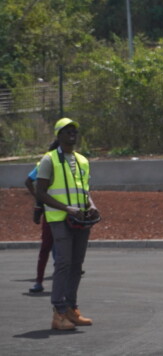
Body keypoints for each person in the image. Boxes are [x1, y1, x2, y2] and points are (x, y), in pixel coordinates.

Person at [36, 118, 100, 331]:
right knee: (63, 262)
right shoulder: (49, 160)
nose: (72, 134)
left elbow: (84, 190)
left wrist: (90, 204)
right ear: (58, 135)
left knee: (76, 265)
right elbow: (40, 192)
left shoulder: (82, 160)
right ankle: (59, 312)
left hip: (81, 219)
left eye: (74, 131)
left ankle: (71, 308)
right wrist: (66, 209)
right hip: (60, 219)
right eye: (67, 131)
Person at [24, 146, 56, 293]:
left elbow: (30, 182)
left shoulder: (45, 162)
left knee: (48, 247)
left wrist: (38, 201)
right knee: (54, 247)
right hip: (58, 213)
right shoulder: (46, 163)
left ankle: (40, 281)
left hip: (55, 213)